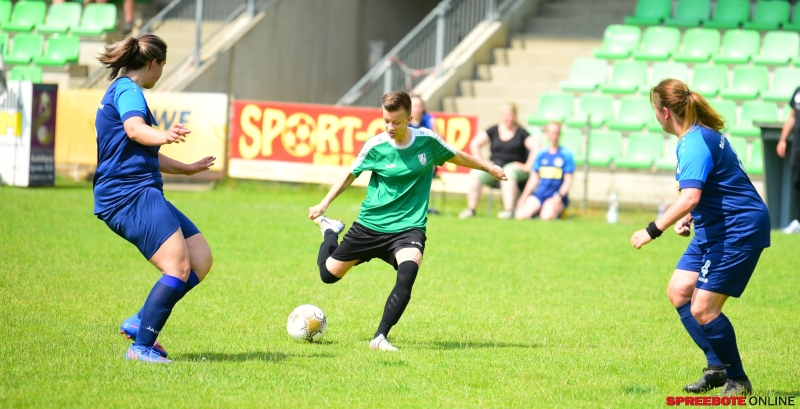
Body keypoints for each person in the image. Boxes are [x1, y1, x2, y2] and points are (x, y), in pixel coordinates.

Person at [308, 91, 506, 351]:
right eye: (386, 121)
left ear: (410, 118)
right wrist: (324, 204)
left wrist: (488, 168)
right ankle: (330, 229)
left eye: (396, 122)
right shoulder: (375, 145)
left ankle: (379, 337)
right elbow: (350, 174)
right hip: (370, 225)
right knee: (328, 275)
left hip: (407, 228)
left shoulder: (426, 141)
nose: (390, 127)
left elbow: (456, 154)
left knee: (408, 271)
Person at [630, 79, 770, 396]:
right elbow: (719, 187)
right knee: (680, 291)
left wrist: (654, 229)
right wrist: (691, 217)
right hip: (715, 224)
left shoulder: (693, 142)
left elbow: (691, 195)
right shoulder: (701, 136)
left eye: (654, 109)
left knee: (704, 309)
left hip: (737, 228)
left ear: (665, 112)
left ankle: (738, 379)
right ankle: (716, 368)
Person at [93, 34, 216, 364]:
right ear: (153, 64)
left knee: (200, 258)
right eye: (162, 66)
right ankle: (142, 347)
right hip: (127, 194)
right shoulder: (128, 90)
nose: (160, 72)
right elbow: (135, 130)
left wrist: (188, 170)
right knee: (177, 267)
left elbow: (142, 150)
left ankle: (139, 320)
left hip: (142, 189)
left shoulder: (124, 90)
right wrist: (164, 134)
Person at [459, 103, 536, 219]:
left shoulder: (521, 133)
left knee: (509, 173)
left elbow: (536, 147)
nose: (509, 118)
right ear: (501, 115)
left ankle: (508, 211)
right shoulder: (494, 130)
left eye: (511, 115)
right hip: (494, 167)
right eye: (506, 115)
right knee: (475, 175)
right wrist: (482, 164)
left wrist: (527, 166)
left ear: (515, 116)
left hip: (513, 168)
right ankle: (471, 209)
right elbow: (474, 143)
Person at [514, 122, 574, 220]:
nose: (554, 136)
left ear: (560, 134)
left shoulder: (566, 154)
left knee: (546, 217)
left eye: (557, 133)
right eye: (552, 133)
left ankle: (559, 211)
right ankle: (537, 210)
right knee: (520, 215)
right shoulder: (541, 154)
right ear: (547, 134)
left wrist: (559, 197)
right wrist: (523, 197)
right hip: (540, 194)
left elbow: (568, 180)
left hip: (555, 196)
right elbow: (534, 178)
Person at [408, 94, 441, 215]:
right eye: (414, 106)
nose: (417, 109)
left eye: (419, 106)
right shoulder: (404, 122)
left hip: (427, 161)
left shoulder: (430, 120)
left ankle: (418, 205)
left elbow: (438, 144)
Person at [776, 87, 800, 234]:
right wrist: (783, 139)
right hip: (798, 149)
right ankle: (798, 220)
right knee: (798, 183)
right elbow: (792, 115)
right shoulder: (798, 92)